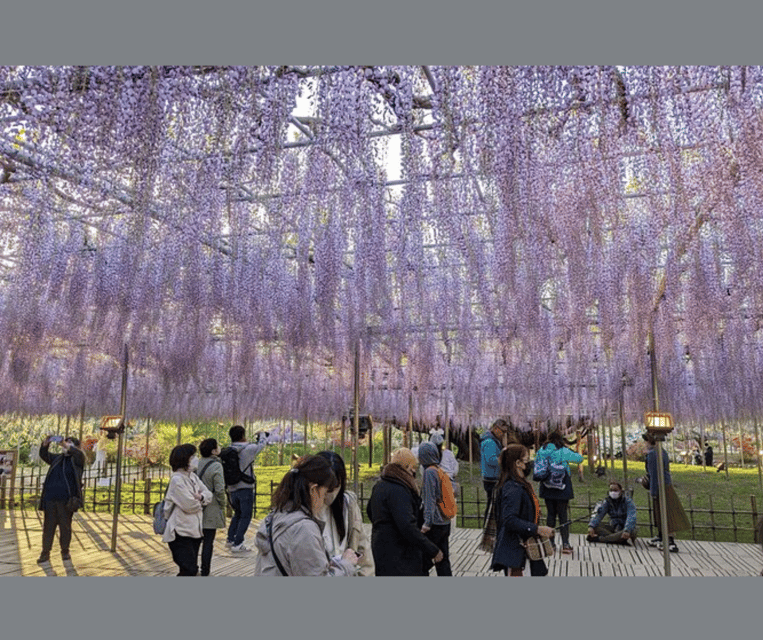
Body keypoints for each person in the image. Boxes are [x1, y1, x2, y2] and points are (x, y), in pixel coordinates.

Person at [254, 455, 359, 576]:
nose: (324, 500)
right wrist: (346, 564)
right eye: (324, 493)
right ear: (314, 489)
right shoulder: (303, 528)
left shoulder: (276, 514)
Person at [366, 448, 443, 576]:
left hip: (381, 547)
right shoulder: (399, 490)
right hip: (400, 553)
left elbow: (370, 511)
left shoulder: (380, 485)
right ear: (407, 467)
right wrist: (432, 550)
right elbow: (407, 526)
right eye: (413, 467)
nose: (414, 471)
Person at [491, 444, 555, 576]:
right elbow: (509, 519)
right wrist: (537, 529)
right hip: (516, 550)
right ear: (518, 463)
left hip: (528, 546)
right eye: (527, 460)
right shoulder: (512, 488)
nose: (529, 463)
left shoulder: (520, 484)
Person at [315, 450, 375, 576]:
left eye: (333, 488)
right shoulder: (302, 516)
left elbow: (365, 556)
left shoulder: (348, 505)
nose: (328, 494)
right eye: (325, 488)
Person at [162, 444, 213, 576]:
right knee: (189, 570)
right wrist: (201, 501)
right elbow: (189, 505)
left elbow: (208, 494)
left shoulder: (192, 477)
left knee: (190, 569)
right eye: (193, 456)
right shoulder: (177, 480)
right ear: (185, 459)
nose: (196, 459)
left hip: (195, 531)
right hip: (180, 532)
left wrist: (201, 497)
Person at [37, 436, 86, 564]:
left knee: (65, 527)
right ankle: (45, 552)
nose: (65, 445)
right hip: (50, 498)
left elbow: (78, 453)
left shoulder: (77, 459)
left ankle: (65, 551)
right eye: (65, 442)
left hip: (66, 499)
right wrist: (46, 443)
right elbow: (44, 455)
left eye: (70, 443)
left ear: (75, 446)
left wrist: (66, 445)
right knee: (48, 526)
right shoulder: (58, 458)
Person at [535, 429, 584, 555]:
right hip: (562, 486)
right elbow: (579, 459)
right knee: (563, 516)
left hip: (547, 486)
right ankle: (566, 544)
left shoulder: (542, 450)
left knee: (550, 515)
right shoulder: (562, 450)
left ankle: (550, 544)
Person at [642, 432, 690, 552]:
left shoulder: (653, 454)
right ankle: (661, 536)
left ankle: (669, 540)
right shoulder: (662, 451)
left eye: (646, 441)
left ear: (650, 441)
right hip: (665, 484)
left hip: (660, 486)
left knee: (664, 512)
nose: (644, 443)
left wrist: (653, 491)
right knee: (661, 512)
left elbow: (654, 474)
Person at [224, 424, 269, 552]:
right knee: (246, 515)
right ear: (243, 435)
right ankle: (238, 544)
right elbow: (262, 444)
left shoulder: (229, 450)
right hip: (245, 487)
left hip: (232, 488)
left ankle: (230, 539)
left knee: (237, 513)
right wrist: (262, 435)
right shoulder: (249, 449)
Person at [418, 441, 453, 576]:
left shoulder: (429, 473)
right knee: (443, 559)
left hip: (436, 523)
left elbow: (430, 499)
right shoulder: (439, 470)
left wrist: (427, 523)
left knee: (425, 559)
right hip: (445, 521)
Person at [195, 438, 226, 576]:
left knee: (195, 540)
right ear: (214, 451)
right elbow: (219, 489)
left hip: (196, 506)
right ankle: (205, 570)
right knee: (208, 541)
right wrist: (222, 503)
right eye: (217, 446)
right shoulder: (216, 466)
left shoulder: (196, 464)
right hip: (211, 506)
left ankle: (193, 567)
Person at [586, 481, 637, 545]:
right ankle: (619, 540)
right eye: (611, 490)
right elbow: (599, 514)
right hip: (613, 528)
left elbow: (631, 517)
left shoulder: (628, 502)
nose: (613, 492)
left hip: (625, 528)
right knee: (596, 528)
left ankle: (600, 539)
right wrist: (591, 526)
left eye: (615, 490)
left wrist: (627, 530)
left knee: (631, 532)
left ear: (621, 491)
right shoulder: (607, 502)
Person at [480, 419, 508, 524]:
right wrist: (504, 456)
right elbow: (491, 460)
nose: (504, 434)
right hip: (491, 478)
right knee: (492, 505)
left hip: (493, 477)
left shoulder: (493, 441)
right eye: (503, 431)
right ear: (496, 429)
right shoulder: (489, 442)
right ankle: (488, 527)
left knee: (494, 505)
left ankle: (490, 527)